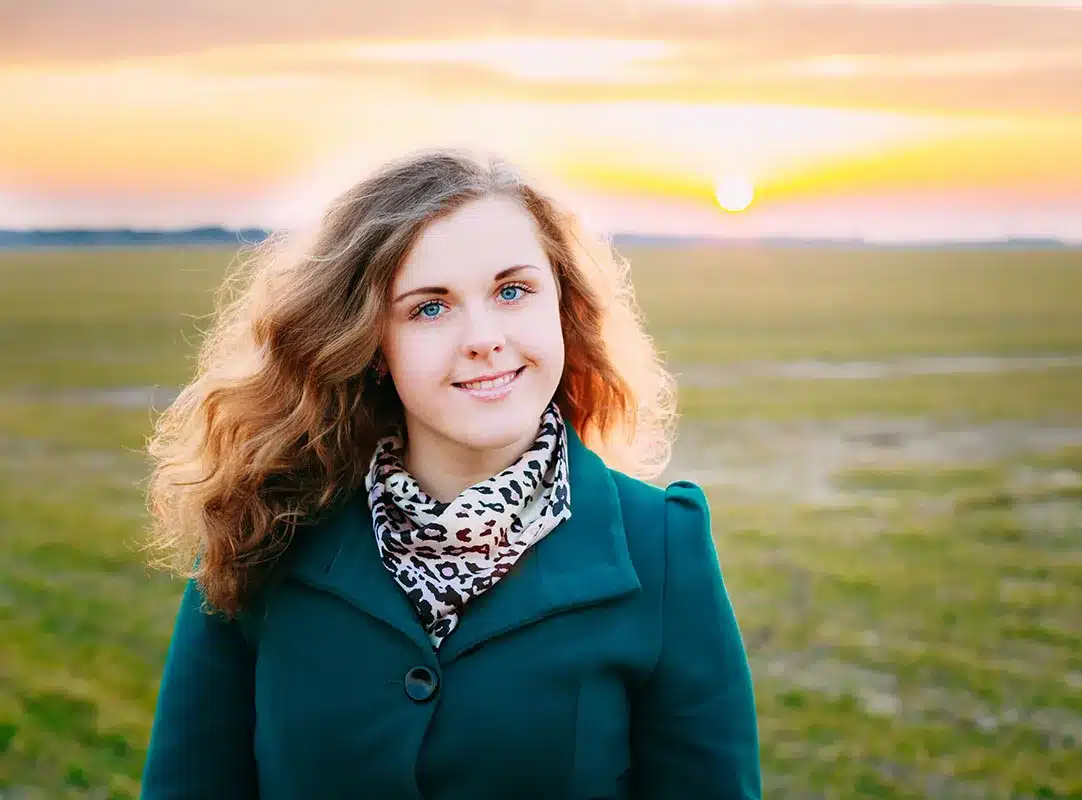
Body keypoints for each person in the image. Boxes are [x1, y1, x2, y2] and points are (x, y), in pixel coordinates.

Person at [139, 146, 761, 799]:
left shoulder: (661, 545)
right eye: (430, 307)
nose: (483, 337)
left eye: (513, 291)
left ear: (563, 309)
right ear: (372, 344)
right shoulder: (263, 529)